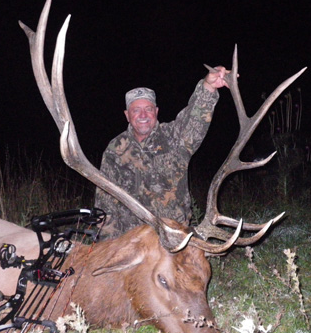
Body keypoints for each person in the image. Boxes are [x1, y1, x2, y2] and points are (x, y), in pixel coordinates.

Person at [95, 66, 230, 238]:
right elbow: (106, 204)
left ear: (156, 112)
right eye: (136, 110)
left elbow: (194, 118)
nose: (143, 115)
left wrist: (209, 87)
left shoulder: (175, 137)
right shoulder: (115, 150)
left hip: (174, 236)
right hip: (132, 242)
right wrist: (110, 247)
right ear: (127, 115)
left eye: (148, 109)